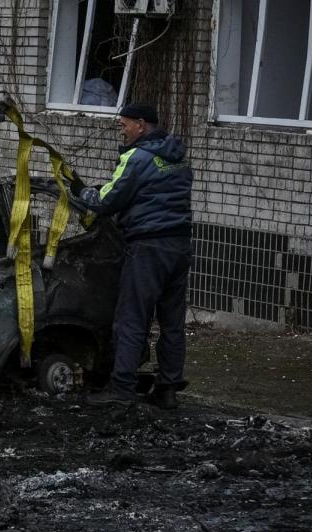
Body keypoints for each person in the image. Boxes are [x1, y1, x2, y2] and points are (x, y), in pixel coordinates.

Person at [71, 103, 193, 409]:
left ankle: (122, 388)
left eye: (124, 124)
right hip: (178, 246)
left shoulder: (136, 159)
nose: (122, 131)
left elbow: (105, 201)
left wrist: (82, 191)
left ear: (140, 124)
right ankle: (167, 388)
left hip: (147, 248)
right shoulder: (178, 159)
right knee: (172, 322)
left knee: (131, 319)